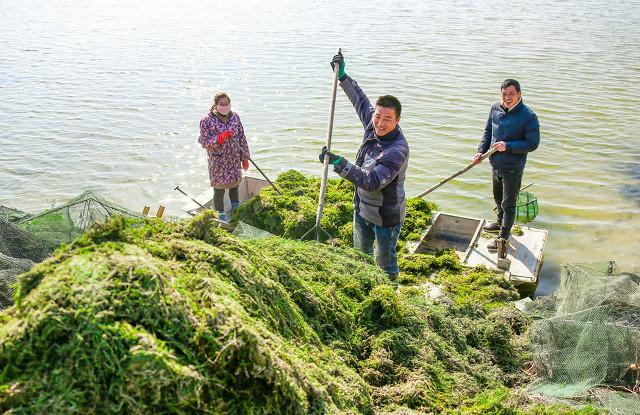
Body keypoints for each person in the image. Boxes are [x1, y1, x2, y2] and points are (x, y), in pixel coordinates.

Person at [319, 51, 409, 279]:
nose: (379, 122)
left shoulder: (396, 151)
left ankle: (390, 299)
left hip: (385, 218)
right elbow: (360, 100)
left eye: (387, 119)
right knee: (361, 257)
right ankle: (364, 286)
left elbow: (372, 181)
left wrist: (339, 163)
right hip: (361, 209)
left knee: (385, 263)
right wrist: (343, 77)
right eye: (378, 116)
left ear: (397, 120)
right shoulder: (373, 124)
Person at [473, 79, 540, 253]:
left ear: (519, 94)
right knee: (497, 199)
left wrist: (508, 146)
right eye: (504, 94)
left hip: (513, 168)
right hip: (495, 164)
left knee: (508, 203)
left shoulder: (528, 116)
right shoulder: (495, 108)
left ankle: (503, 236)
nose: (507, 98)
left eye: (511, 94)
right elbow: (488, 132)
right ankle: (499, 222)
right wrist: (481, 151)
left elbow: (532, 144)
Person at [198, 92, 250, 222]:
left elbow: (242, 137)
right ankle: (220, 214)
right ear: (215, 105)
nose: (225, 106)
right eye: (221, 104)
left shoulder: (235, 117)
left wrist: (244, 157)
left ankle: (236, 208)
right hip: (218, 161)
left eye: (227, 104)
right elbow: (204, 142)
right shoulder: (206, 120)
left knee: (234, 185)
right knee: (219, 189)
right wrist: (219, 138)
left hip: (233, 159)